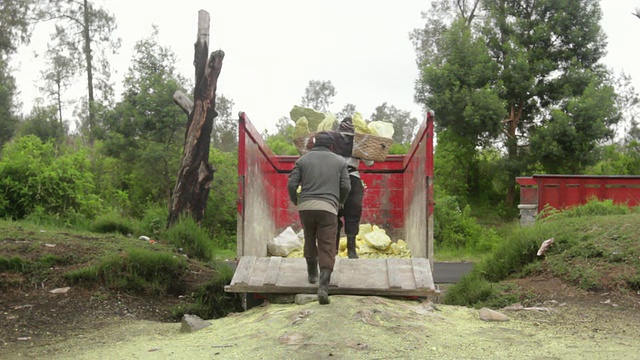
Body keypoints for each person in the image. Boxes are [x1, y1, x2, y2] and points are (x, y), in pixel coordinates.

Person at [288, 131, 351, 305]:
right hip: (329, 208)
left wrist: (296, 200)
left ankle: (311, 274)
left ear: (314, 144)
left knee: (309, 238)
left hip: (306, 207)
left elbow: (292, 184)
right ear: (331, 146)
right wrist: (340, 202)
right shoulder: (340, 161)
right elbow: (346, 185)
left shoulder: (302, 160)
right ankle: (323, 287)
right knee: (327, 244)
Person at [330, 117, 374, 259]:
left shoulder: (331, 139)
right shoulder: (359, 141)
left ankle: (333, 251)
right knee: (353, 214)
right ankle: (351, 251)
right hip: (353, 179)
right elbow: (369, 162)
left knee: (333, 214)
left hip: (334, 179)